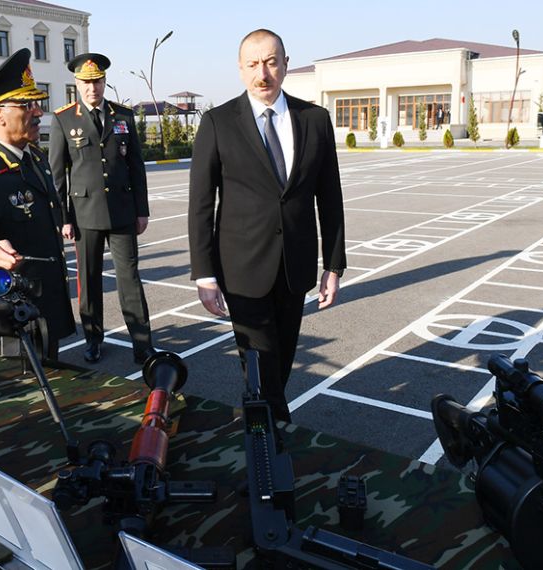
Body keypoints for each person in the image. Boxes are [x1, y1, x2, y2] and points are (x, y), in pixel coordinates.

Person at [188, 29, 346, 423]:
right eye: (254, 64)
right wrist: (204, 274)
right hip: (241, 268)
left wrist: (333, 265)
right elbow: (201, 204)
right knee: (259, 363)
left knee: (282, 359)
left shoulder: (315, 120)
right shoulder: (218, 123)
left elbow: (330, 198)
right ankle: (273, 434)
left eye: (272, 62)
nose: (263, 74)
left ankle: (262, 424)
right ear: (240, 69)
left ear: (286, 65)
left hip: (295, 265)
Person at [0, 47, 75, 360]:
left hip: (44, 301)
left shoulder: (35, 156)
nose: (38, 112)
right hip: (10, 311)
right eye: (26, 105)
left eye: (37, 103)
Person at [50, 53, 154, 365]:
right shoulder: (64, 119)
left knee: (129, 279)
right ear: (76, 84)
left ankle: (142, 343)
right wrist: (63, 219)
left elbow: (136, 166)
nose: (92, 87)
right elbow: (58, 175)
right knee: (90, 280)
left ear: (104, 81)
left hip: (122, 210)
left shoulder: (122, 115)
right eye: (86, 82)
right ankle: (93, 339)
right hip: (84, 214)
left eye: (96, 81)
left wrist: (142, 210)